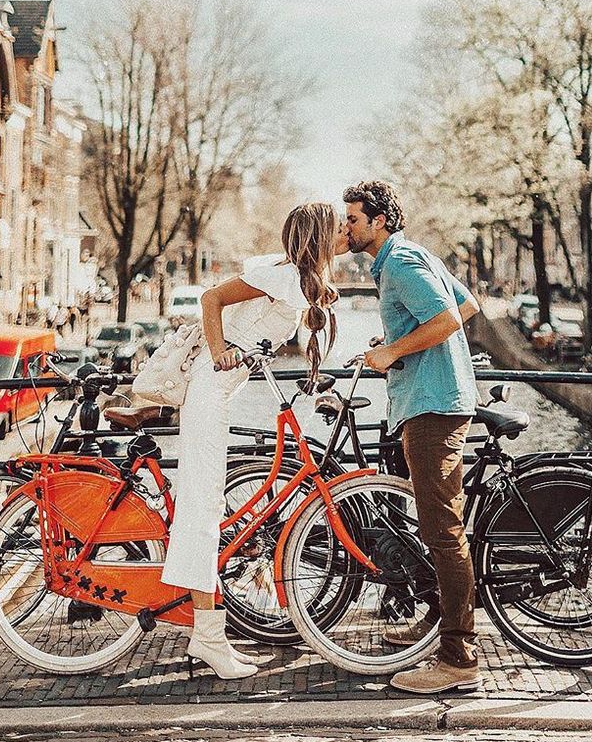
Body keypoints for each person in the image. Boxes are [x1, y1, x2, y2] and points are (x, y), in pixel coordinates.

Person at [160, 203, 349, 679]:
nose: (346, 232)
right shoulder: (285, 277)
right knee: (202, 511)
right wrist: (221, 350)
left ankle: (207, 632)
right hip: (208, 390)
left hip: (221, 393)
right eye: (339, 228)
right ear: (320, 235)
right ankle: (207, 638)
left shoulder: (299, 278)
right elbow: (210, 299)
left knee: (209, 510)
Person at [343, 180, 482, 695]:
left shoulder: (400, 263)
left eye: (353, 219)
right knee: (435, 525)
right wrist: (399, 343)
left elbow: (447, 318)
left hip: (432, 405)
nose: (347, 228)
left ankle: (458, 659)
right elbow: (467, 305)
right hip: (433, 400)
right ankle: (441, 626)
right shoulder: (410, 255)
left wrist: (390, 352)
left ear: (379, 220)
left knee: (443, 531)